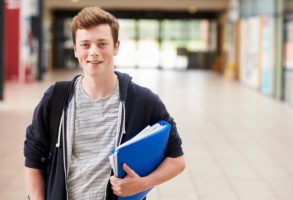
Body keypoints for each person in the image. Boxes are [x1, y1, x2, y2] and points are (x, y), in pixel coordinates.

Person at [24, 6, 185, 200]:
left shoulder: (143, 101)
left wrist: (142, 184)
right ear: (75, 49)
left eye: (102, 44)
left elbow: (177, 160)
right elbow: (33, 159)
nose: (94, 52)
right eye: (85, 45)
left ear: (116, 46)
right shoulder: (56, 98)